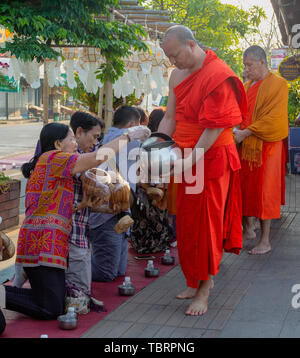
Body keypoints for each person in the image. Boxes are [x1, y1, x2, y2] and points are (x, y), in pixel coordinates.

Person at [0, 122, 150, 320]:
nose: (74, 144)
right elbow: (98, 157)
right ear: (57, 144)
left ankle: (3, 295)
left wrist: (87, 204)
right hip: (44, 241)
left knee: (51, 301)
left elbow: (57, 207)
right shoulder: (54, 157)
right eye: (71, 139)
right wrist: (128, 137)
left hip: (45, 241)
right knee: (51, 309)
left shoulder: (51, 163)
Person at [158, 25, 247, 316]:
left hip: (210, 156)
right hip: (183, 154)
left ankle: (205, 290)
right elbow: (170, 117)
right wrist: (156, 147)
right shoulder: (176, 75)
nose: (174, 62)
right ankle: (193, 279)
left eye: (176, 55)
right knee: (185, 222)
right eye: (169, 58)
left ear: (192, 44)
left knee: (206, 224)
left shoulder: (218, 74)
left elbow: (215, 126)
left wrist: (189, 159)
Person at [234, 45, 289, 255]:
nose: (246, 69)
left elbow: (275, 120)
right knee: (246, 188)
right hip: (247, 148)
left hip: (268, 148)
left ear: (262, 62)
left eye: (249, 65)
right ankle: (248, 228)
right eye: (245, 65)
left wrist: (246, 132)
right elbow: (241, 115)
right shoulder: (247, 87)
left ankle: (265, 241)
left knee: (266, 193)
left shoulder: (279, 84)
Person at [88, 106, 141, 282]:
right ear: (133, 125)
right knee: (106, 273)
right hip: (108, 212)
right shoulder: (129, 141)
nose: (95, 142)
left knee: (119, 272)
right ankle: (70, 270)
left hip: (119, 209)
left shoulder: (110, 136)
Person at [65, 111, 102, 308]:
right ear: (79, 132)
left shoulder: (80, 158)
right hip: (72, 234)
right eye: (94, 137)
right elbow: (93, 182)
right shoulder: (73, 159)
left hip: (81, 232)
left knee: (80, 291)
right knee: (77, 298)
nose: (96, 143)